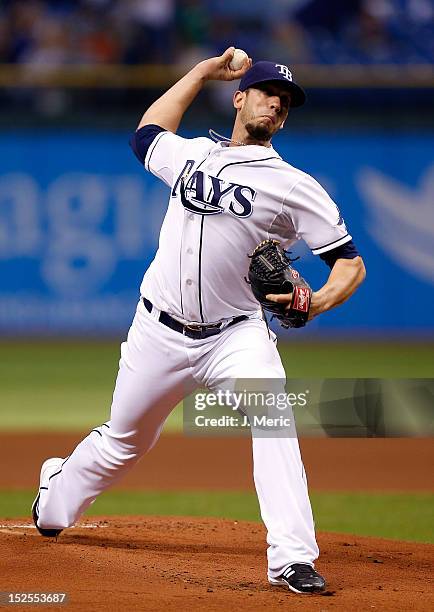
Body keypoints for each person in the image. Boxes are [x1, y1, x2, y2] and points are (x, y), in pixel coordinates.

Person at [32, 48, 366, 595]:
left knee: (273, 418)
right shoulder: (191, 155)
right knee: (123, 443)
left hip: (235, 336)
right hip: (157, 331)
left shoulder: (295, 185)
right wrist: (200, 72)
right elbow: (145, 135)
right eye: (266, 93)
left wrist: (318, 302)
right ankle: (55, 495)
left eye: (284, 102)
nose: (276, 104)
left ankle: (291, 558)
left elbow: (349, 264)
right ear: (239, 99)